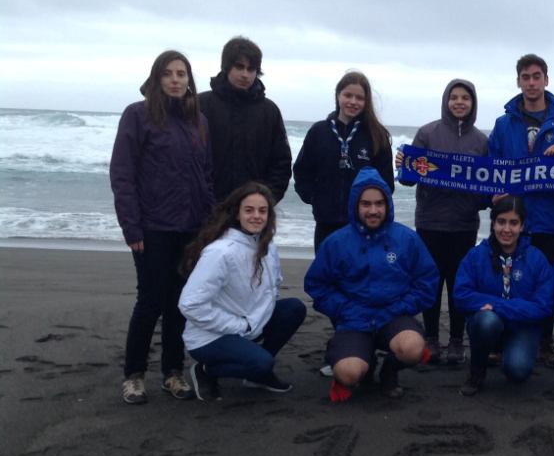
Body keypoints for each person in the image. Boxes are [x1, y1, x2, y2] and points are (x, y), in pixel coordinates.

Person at [110, 49, 214, 405]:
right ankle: (134, 376)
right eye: (168, 73)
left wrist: (209, 224)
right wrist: (131, 227)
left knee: (178, 303)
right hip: (152, 228)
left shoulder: (198, 121)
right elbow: (122, 175)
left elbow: (206, 176)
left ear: (189, 80)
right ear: (156, 78)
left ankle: (173, 372)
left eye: (181, 74)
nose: (175, 79)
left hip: (190, 229)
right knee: (150, 300)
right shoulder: (137, 116)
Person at [488, 54, 554, 368]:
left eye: (537, 76)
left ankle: (545, 339)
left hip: (549, 218)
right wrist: (494, 195)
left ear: (546, 79)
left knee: (546, 281)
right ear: (518, 81)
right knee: (506, 277)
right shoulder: (504, 124)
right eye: (525, 77)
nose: (531, 83)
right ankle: (503, 336)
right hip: (512, 217)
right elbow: (492, 165)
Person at [304, 167, 438, 401]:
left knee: (413, 348)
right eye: (366, 204)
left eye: (379, 204)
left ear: (388, 205)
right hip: (354, 319)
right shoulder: (336, 242)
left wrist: (401, 307)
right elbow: (317, 285)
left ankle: (389, 371)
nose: (373, 210)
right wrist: (345, 309)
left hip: (394, 316)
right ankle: (357, 359)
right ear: (355, 205)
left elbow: (427, 282)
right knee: (349, 373)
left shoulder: (406, 239)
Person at [178, 183, 306, 401]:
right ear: (237, 214)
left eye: (262, 211)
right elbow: (190, 304)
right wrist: (239, 326)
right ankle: (206, 371)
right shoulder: (220, 252)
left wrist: (252, 322)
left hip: (248, 324)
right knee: (262, 363)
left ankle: (256, 375)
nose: (256, 216)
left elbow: (272, 288)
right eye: (249, 210)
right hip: (210, 336)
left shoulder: (267, 246)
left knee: (294, 308)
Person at [394, 79, 489, 365]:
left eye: (465, 98)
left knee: (459, 283)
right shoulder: (427, 133)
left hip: (464, 224)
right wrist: (403, 163)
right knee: (432, 283)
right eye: (454, 97)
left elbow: (487, 185)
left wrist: (484, 200)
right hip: (430, 222)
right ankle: (432, 338)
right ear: (446, 100)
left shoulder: (481, 141)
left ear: (473, 104)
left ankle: (457, 340)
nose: (459, 102)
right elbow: (409, 181)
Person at [453, 196, 554, 395]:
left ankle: (511, 352)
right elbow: (461, 295)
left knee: (517, 372)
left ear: (522, 226)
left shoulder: (536, 258)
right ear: (493, 223)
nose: (506, 229)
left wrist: (499, 306)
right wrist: (494, 308)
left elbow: (544, 305)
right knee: (486, 320)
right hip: (489, 324)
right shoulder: (476, 255)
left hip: (522, 327)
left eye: (513, 223)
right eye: (501, 222)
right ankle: (477, 371)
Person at [294, 71, 394, 252]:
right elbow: (302, 170)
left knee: (361, 277)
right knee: (326, 276)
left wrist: (372, 209)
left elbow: (386, 183)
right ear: (338, 95)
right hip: (326, 222)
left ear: (366, 102)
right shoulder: (319, 131)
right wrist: (314, 198)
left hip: (363, 224)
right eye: (348, 95)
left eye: (359, 98)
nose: (353, 102)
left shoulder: (376, 135)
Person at [199, 36, 292, 203]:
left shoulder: (269, 111)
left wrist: (265, 201)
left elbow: (281, 163)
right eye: (239, 67)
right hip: (205, 209)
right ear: (226, 67)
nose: (245, 74)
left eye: (251, 69)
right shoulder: (201, 105)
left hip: (253, 212)